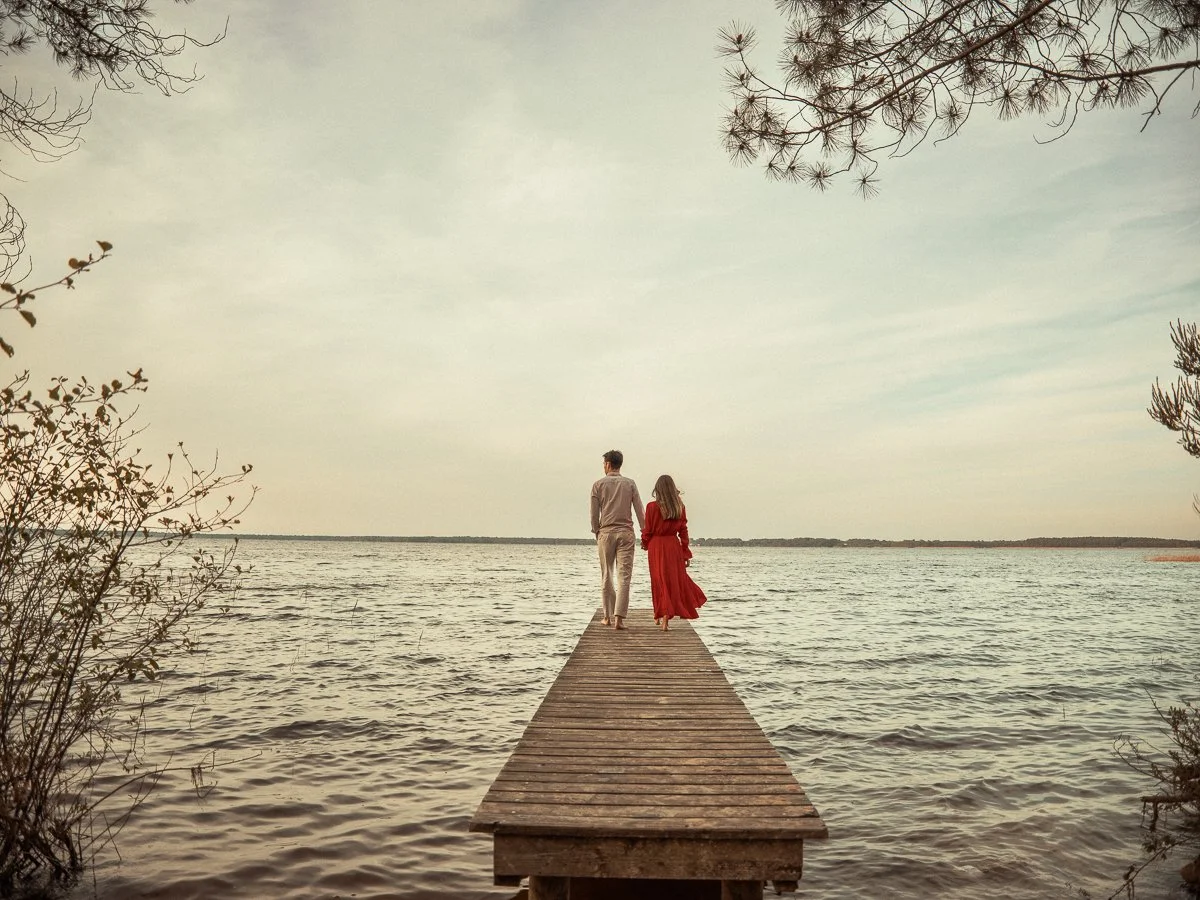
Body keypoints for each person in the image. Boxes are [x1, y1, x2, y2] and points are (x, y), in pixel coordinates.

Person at [640, 474, 707, 631]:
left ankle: (659, 616)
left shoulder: (651, 507)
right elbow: (683, 531)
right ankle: (664, 620)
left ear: (658, 489)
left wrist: (644, 543)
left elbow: (647, 530)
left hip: (656, 546)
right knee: (670, 581)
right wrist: (685, 553)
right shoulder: (679, 506)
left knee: (658, 581)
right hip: (672, 546)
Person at [589, 449, 645, 630]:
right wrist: (645, 532)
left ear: (607, 464)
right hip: (626, 533)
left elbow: (593, 513)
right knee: (624, 577)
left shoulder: (598, 485)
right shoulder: (630, 484)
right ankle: (619, 619)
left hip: (606, 533)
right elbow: (639, 510)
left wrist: (596, 530)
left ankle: (607, 616)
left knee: (607, 575)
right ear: (619, 464)